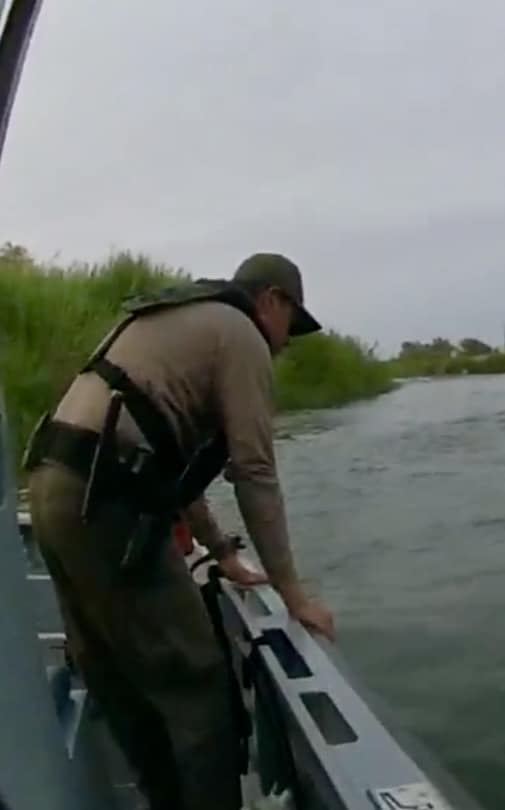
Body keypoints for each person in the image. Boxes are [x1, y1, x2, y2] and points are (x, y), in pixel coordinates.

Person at [24, 252, 335, 810]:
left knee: (114, 674)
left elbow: (165, 468)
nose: (286, 343)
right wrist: (294, 595)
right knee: (198, 682)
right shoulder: (240, 333)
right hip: (105, 500)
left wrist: (222, 552)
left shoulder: (183, 319)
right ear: (272, 301)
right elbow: (254, 471)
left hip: (53, 487)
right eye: (292, 324)